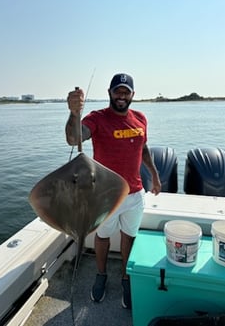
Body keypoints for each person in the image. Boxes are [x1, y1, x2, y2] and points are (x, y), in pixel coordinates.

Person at [66, 73, 161, 309]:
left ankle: (126, 277)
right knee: (103, 236)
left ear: (132, 95)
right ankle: (101, 274)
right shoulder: (97, 118)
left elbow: (144, 149)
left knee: (129, 236)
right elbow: (73, 138)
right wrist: (73, 113)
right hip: (105, 195)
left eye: (126, 91)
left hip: (134, 193)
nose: (121, 95)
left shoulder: (140, 118)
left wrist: (156, 176)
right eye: (117, 91)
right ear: (109, 93)